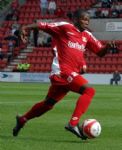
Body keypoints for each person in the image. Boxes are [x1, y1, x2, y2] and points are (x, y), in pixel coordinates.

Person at [13, 9, 114, 140]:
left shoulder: (87, 35)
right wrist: (25, 27)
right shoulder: (65, 27)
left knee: (47, 104)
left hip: (68, 75)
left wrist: (107, 47)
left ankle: (22, 119)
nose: (86, 22)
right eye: (83, 19)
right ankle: (73, 124)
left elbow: (100, 52)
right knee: (89, 91)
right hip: (62, 71)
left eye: (88, 20)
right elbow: (42, 25)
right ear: (76, 19)